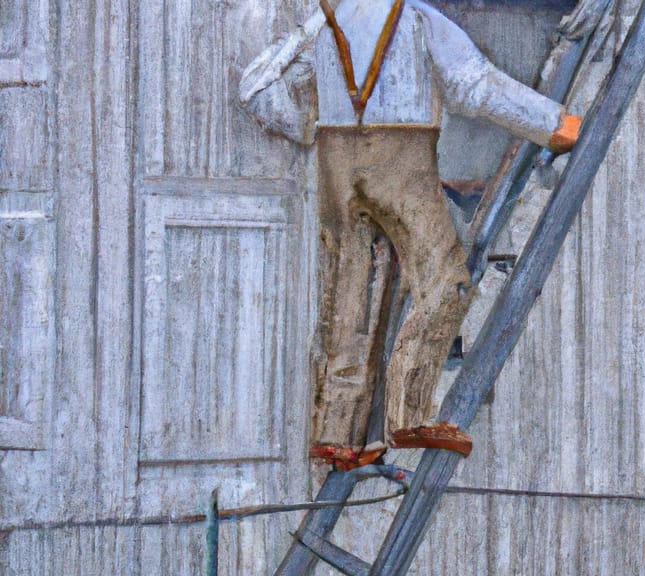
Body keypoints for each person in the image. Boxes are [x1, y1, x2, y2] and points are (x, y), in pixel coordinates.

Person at [239, 0, 580, 470]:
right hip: (401, 155)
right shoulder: (416, 16)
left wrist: (306, 129)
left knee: (350, 296)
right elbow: (472, 86)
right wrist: (555, 125)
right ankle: (409, 416)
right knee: (445, 282)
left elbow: (256, 88)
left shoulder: (325, 20)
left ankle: (338, 434)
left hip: (336, 164)